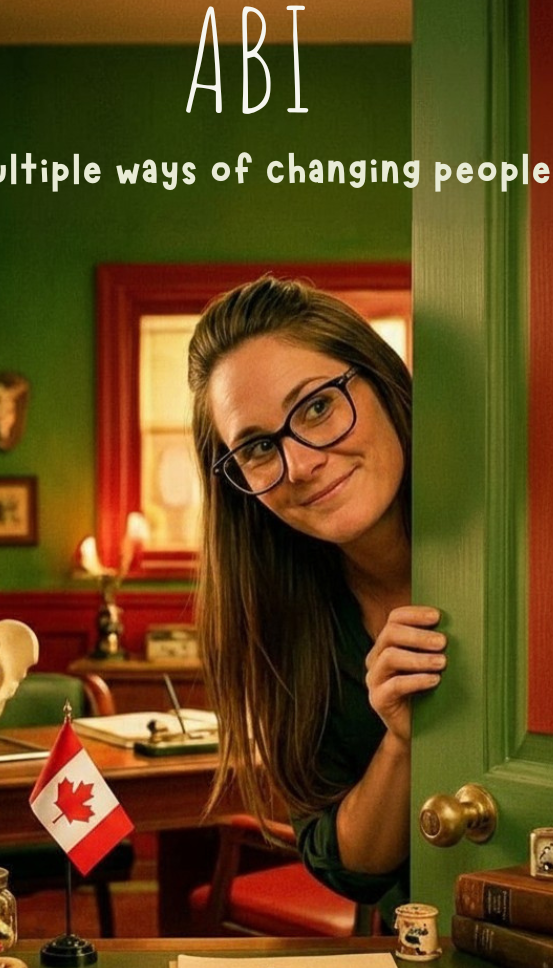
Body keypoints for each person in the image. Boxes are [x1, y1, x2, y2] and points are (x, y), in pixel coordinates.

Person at [187, 275, 448, 928]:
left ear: (382, 382)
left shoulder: (520, 554)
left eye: (316, 408)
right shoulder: (283, 621)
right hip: (419, 946)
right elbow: (352, 868)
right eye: (256, 448)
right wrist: (402, 741)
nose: (300, 464)